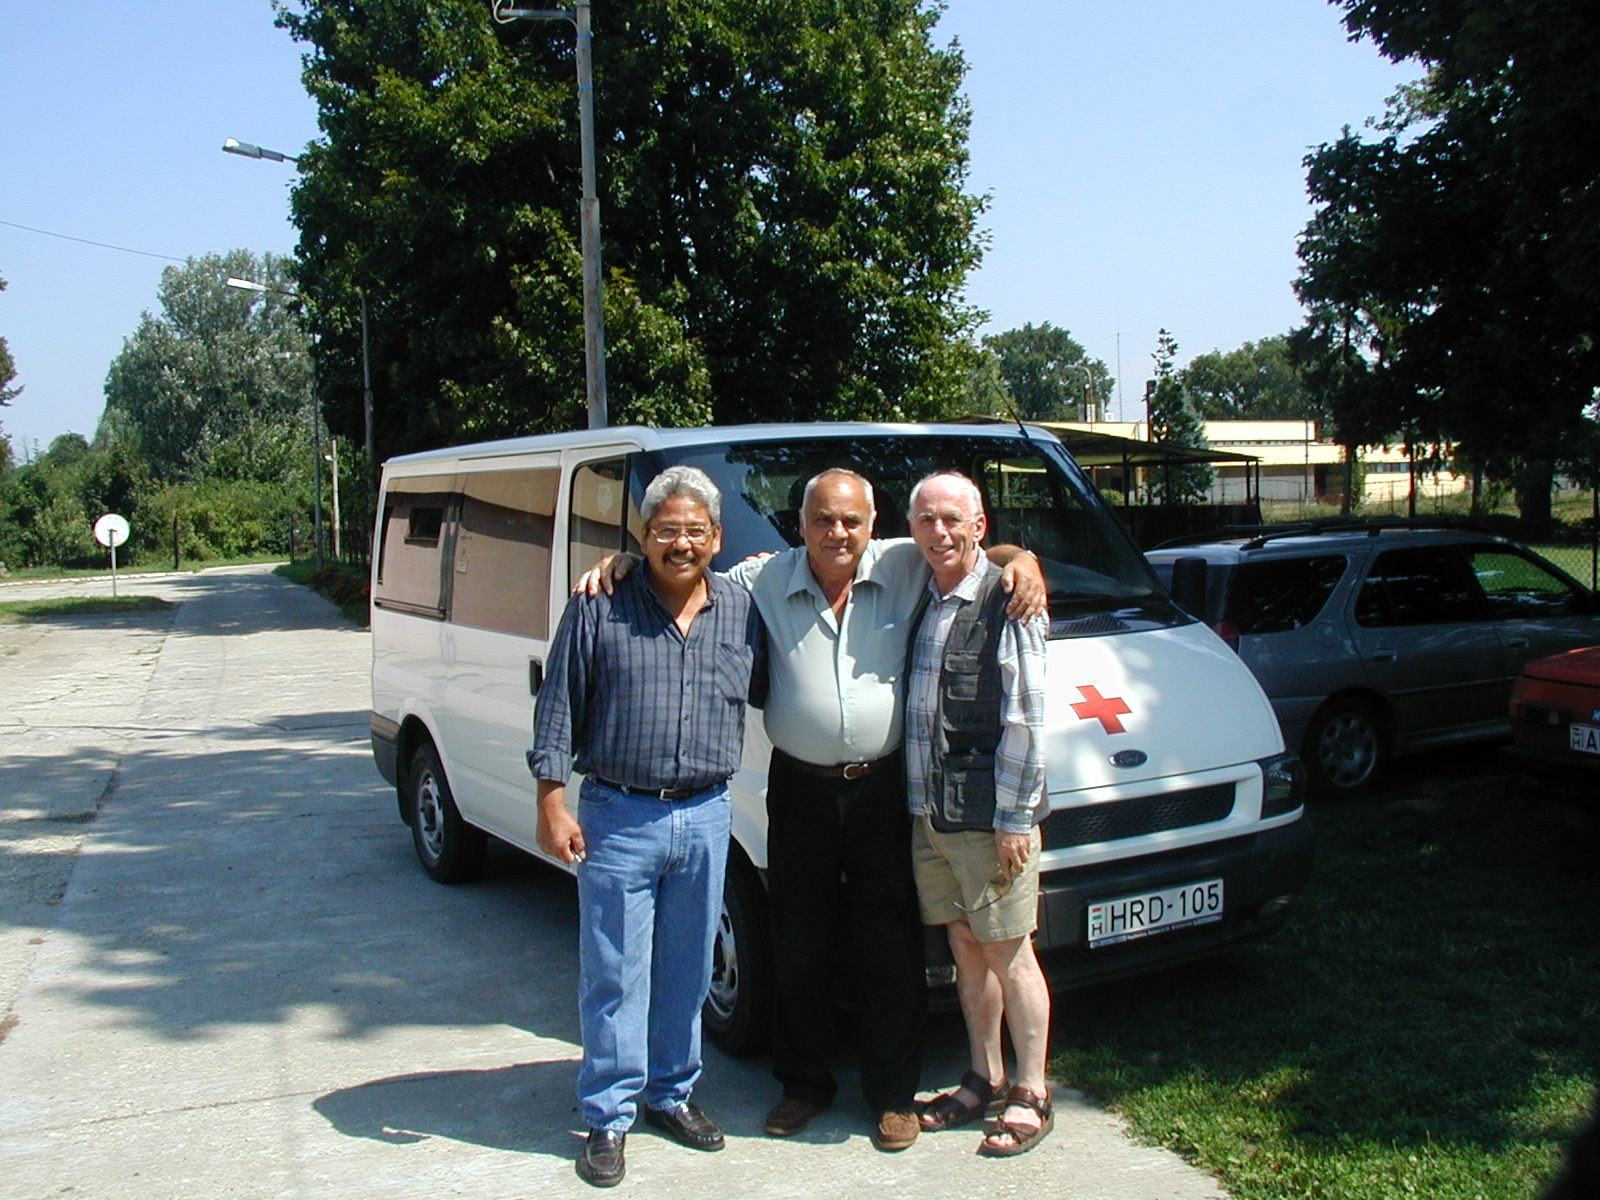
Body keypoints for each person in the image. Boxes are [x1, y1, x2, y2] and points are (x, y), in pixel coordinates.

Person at [580, 467, 1045, 1153]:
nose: (838, 533)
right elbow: (681, 568)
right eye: (823, 520)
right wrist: (626, 559)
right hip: (798, 788)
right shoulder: (760, 579)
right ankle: (803, 1086)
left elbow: (975, 552)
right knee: (798, 937)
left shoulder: (907, 559)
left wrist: (1022, 559)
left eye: (852, 521)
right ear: (800, 525)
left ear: (873, 524)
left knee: (888, 945)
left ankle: (892, 1097)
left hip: (884, 789)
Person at [529, 465, 765, 1188]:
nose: (681, 543)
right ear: (642, 536)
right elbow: (559, 703)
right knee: (614, 973)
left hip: (704, 813)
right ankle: (607, 1115)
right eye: (666, 530)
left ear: (718, 539)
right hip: (618, 813)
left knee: (688, 968)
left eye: (696, 531)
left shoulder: (740, 607)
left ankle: (671, 1093)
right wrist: (549, 800)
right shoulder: (599, 602)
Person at [903, 471, 1054, 1158]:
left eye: (952, 520)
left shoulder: (1010, 599)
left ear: (979, 527)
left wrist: (1018, 816)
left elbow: (1028, 714)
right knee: (966, 948)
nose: (939, 532)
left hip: (989, 817)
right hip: (929, 813)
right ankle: (982, 1078)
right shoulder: (918, 591)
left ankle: (1031, 1092)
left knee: (1009, 951)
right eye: (927, 519)